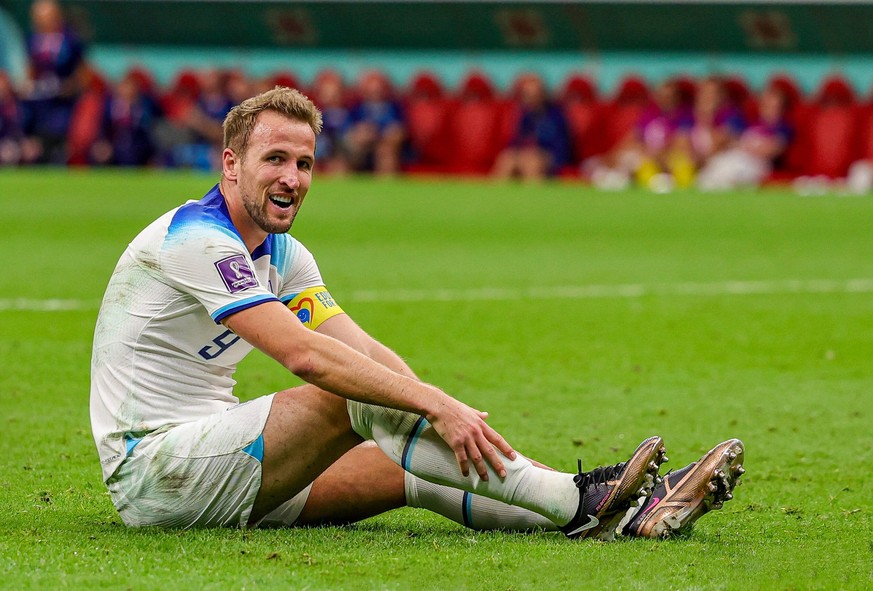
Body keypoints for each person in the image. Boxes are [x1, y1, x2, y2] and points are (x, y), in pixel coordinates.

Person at [90, 86, 744, 539]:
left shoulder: (285, 254)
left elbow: (365, 350)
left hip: (220, 463)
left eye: (305, 162)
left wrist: (436, 406)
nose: (293, 177)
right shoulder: (198, 239)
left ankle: (617, 510)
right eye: (275, 160)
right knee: (341, 392)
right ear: (230, 164)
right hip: (154, 472)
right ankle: (581, 503)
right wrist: (431, 407)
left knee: (402, 460)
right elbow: (306, 354)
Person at [20, 0, 87, 163]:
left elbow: (82, 73)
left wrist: (68, 87)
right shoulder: (32, 39)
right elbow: (31, 69)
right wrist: (28, 85)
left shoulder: (70, 39)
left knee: (57, 139)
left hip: (63, 103)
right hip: (40, 100)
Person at [696, 85, 792, 191]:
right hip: (737, 156)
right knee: (712, 169)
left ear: (781, 107)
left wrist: (744, 145)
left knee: (729, 175)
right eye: (765, 104)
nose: (768, 108)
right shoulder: (753, 124)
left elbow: (771, 150)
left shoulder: (782, 127)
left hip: (757, 164)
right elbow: (734, 142)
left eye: (773, 105)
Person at [492, 74, 571, 182]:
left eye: (535, 94)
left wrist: (539, 153)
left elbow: (561, 147)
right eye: (527, 95)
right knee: (506, 159)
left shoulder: (556, 115)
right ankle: (497, 196)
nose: (531, 98)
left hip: (549, 156)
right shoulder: (524, 115)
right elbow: (515, 141)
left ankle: (534, 197)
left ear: (543, 94)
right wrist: (519, 153)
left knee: (532, 163)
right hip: (526, 154)